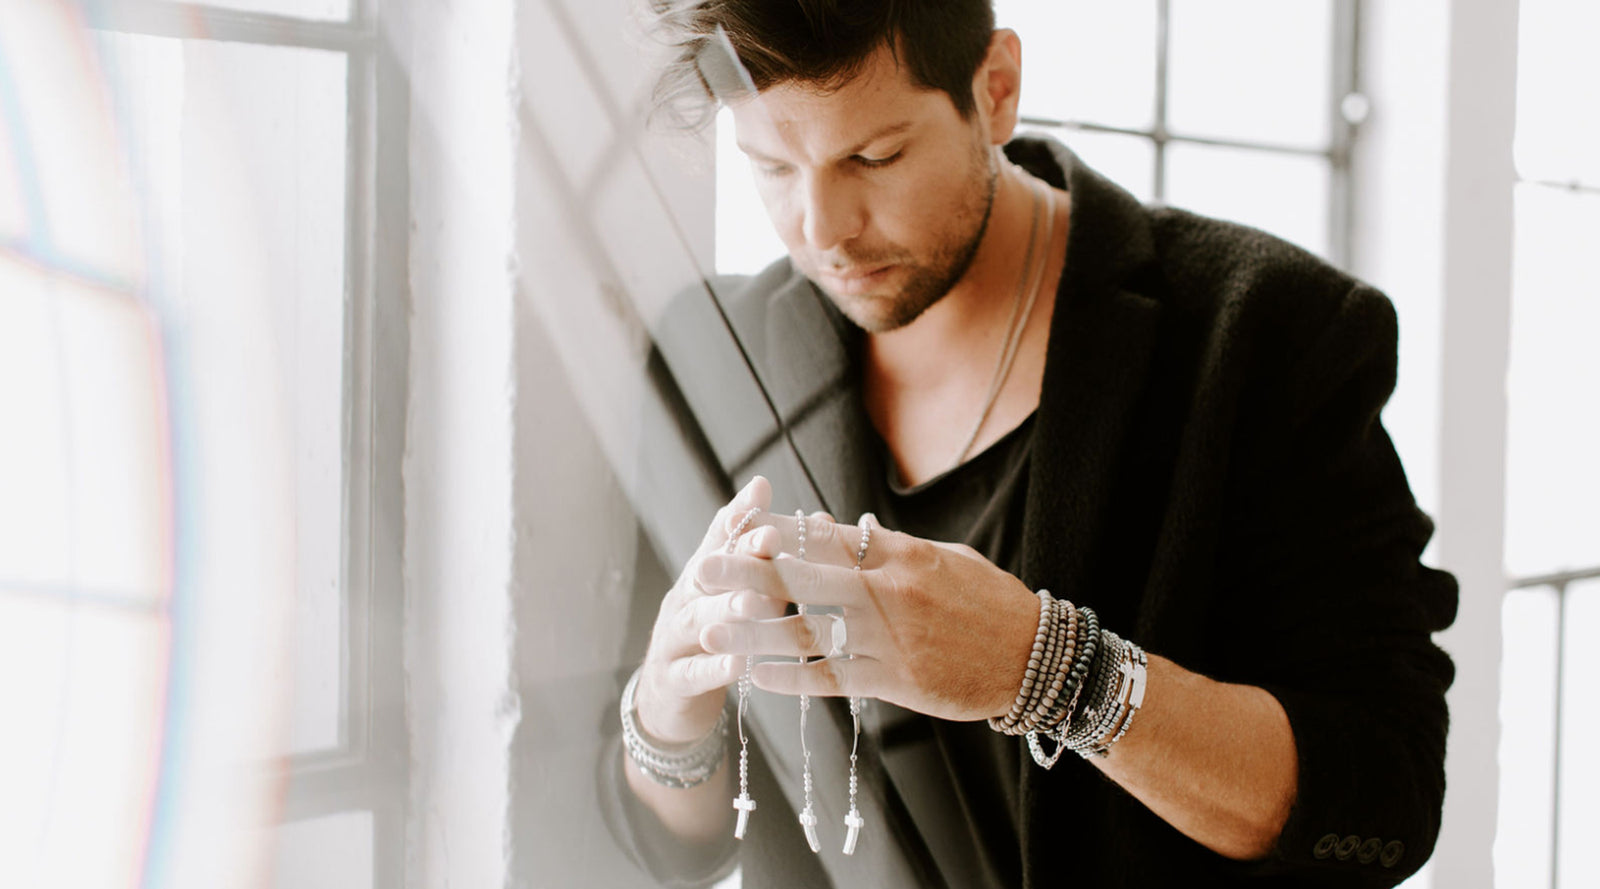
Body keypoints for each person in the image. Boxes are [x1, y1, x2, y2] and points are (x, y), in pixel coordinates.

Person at [605, 2, 1458, 887]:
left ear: (997, 89)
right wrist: (668, 714)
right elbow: (673, 844)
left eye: (875, 157)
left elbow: (1383, 796)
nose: (822, 228)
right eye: (771, 165)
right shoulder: (714, 357)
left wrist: (1048, 670)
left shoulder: (1267, 332)